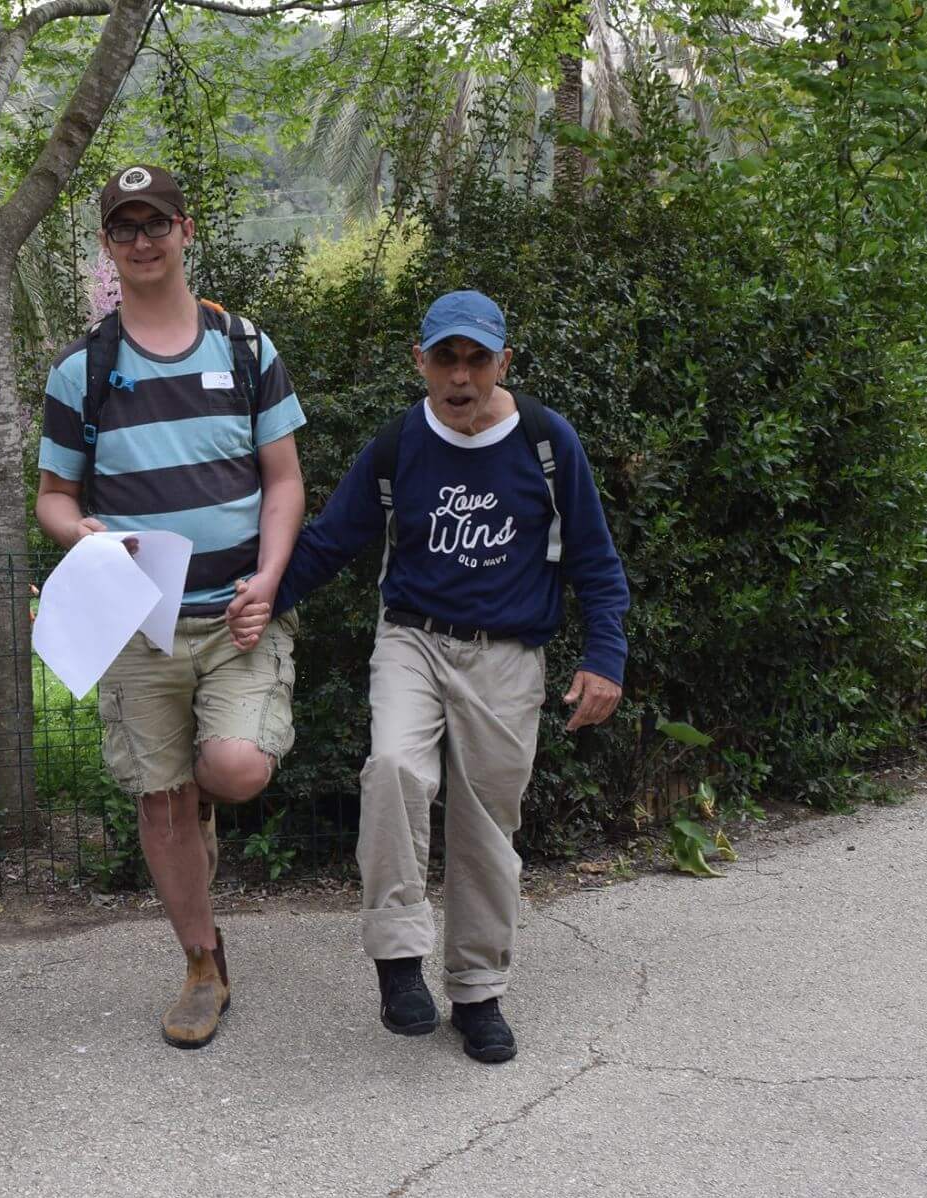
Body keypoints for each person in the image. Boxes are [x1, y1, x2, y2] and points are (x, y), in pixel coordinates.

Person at [273, 290, 630, 1064]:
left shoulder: (545, 441)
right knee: (395, 766)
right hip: (413, 639)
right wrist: (259, 599)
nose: (460, 376)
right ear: (421, 362)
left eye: (476, 358)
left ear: (504, 360)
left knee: (484, 825)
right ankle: (399, 959)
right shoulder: (403, 442)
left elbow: (596, 560)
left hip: (508, 657)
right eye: (446, 358)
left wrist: (606, 656)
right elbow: (331, 539)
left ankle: (476, 990)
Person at [34, 165, 307, 1049]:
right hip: (139, 623)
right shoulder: (84, 371)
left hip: (236, 616)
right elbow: (52, 499)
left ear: (187, 231)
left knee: (231, 770)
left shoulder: (246, 348)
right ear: (108, 246)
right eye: (125, 228)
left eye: (157, 224)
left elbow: (285, 480)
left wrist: (267, 580)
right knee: (160, 800)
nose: (143, 241)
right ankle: (201, 962)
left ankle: (207, 812)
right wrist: (85, 535)